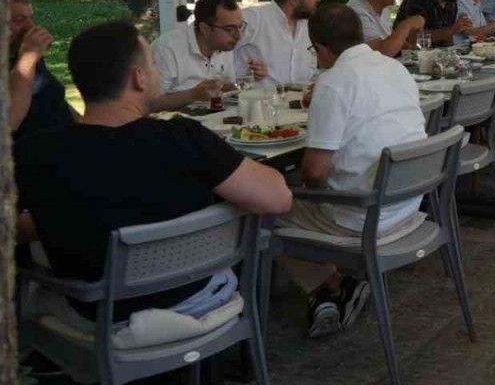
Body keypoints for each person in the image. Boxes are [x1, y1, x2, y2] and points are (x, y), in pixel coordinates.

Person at [16, 20, 291, 323]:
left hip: (98, 314)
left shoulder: (35, 153)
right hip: (197, 301)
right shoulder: (184, 139)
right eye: (153, 64)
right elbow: (278, 198)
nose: (158, 71)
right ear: (138, 78)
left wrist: (51, 218)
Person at [275, 4, 428, 337]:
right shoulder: (395, 68)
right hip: (408, 203)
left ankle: (326, 285)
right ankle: (334, 286)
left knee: (265, 205)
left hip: (367, 217)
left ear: (321, 49)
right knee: (292, 191)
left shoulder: (333, 82)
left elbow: (314, 173)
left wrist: (308, 195)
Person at [151, 0, 267, 110]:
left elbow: (226, 89)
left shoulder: (225, 47)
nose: (238, 36)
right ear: (205, 29)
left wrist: (250, 77)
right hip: (175, 120)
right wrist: (192, 95)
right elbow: (150, 103)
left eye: (240, 27)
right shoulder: (168, 49)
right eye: (229, 29)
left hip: (216, 117)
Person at [9, 0, 75, 140]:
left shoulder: (19, 52)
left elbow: (53, 99)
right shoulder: (26, 57)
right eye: (19, 20)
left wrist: (88, 127)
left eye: (31, 18)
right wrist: (28, 57)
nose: (31, 27)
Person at [237, 0, 319, 86]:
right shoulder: (254, 18)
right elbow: (221, 49)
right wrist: (244, 73)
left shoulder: (309, 26)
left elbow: (312, 70)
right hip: (258, 96)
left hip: (301, 97)